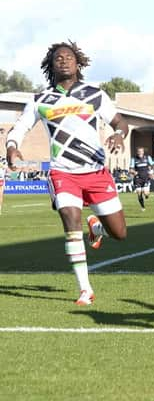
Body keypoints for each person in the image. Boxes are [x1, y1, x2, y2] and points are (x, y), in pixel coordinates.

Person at [5, 40, 128, 305]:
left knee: (120, 234)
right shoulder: (40, 99)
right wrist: (12, 146)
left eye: (68, 57)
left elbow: (120, 123)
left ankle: (97, 228)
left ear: (78, 63)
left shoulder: (95, 94)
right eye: (58, 58)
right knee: (70, 219)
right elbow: (20, 128)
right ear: (51, 65)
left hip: (96, 172)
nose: (63, 60)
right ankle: (86, 289)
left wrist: (119, 135)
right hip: (62, 173)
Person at [129, 147, 154, 211]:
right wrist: (134, 172)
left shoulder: (147, 158)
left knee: (145, 193)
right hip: (137, 178)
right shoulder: (134, 159)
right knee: (139, 193)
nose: (140, 152)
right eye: (138, 151)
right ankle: (143, 207)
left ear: (143, 152)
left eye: (141, 151)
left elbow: (152, 166)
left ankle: (147, 195)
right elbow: (131, 169)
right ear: (137, 152)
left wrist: (151, 172)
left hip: (146, 178)